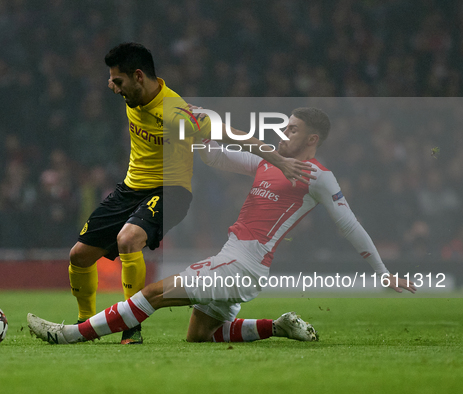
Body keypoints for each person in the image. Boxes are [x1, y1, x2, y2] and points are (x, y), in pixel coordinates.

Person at [30, 107, 417, 344]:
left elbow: (350, 225)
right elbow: (215, 156)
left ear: (312, 139)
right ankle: (277, 326)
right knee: (201, 335)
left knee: (154, 293)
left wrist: (382, 273)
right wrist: (194, 126)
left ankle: (68, 334)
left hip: (243, 265)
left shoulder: (317, 176)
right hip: (235, 260)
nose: (284, 133)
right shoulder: (268, 161)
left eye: (294, 130)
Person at [68, 43, 318, 344]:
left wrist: (278, 160)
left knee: (128, 239)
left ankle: (131, 327)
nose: (112, 87)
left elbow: (232, 134)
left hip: (171, 191)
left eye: (117, 81)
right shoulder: (133, 97)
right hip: (131, 188)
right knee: (79, 256)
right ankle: (84, 324)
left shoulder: (177, 112)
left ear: (138, 77)